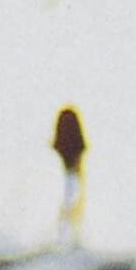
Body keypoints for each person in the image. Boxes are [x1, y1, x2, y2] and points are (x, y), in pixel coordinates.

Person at [50, 101, 88, 244]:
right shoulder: (78, 151)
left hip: (65, 179)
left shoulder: (55, 155)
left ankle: (63, 238)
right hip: (73, 179)